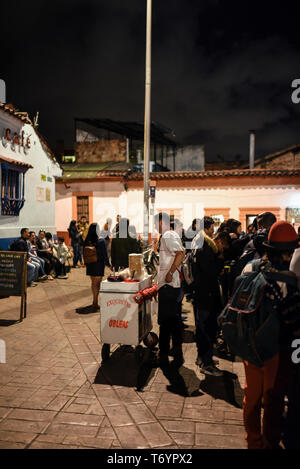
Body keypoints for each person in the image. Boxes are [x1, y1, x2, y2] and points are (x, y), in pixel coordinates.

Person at [241, 221, 300, 449]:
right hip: (277, 349)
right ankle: (269, 442)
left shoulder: (250, 268)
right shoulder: (289, 279)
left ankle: (253, 441)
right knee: (273, 399)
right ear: (288, 252)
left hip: (250, 346)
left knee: (251, 398)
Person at [192, 227, 230, 376]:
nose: (221, 250)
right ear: (219, 241)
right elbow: (211, 273)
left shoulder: (200, 246)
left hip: (201, 295)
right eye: (222, 247)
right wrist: (219, 261)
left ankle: (201, 358)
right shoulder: (206, 251)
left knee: (202, 329)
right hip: (206, 296)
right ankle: (207, 363)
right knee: (207, 330)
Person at [154, 212, 185, 368]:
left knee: (166, 321)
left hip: (169, 285)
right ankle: (175, 350)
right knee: (172, 319)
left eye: (155, 223)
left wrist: (170, 272)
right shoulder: (169, 235)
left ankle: (165, 352)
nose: (154, 227)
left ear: (161, 222)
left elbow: (181, 253)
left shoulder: (167, 235)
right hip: (169, 284)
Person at [84, 223, 111, 312]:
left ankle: (94, 301)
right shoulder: (101, 240)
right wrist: (109, 265)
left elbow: (84, 252)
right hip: (98, 264)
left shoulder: (87, 240)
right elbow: (104, 255)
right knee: (97, 284)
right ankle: (95, 302)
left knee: (93, 283)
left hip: (90, 264)